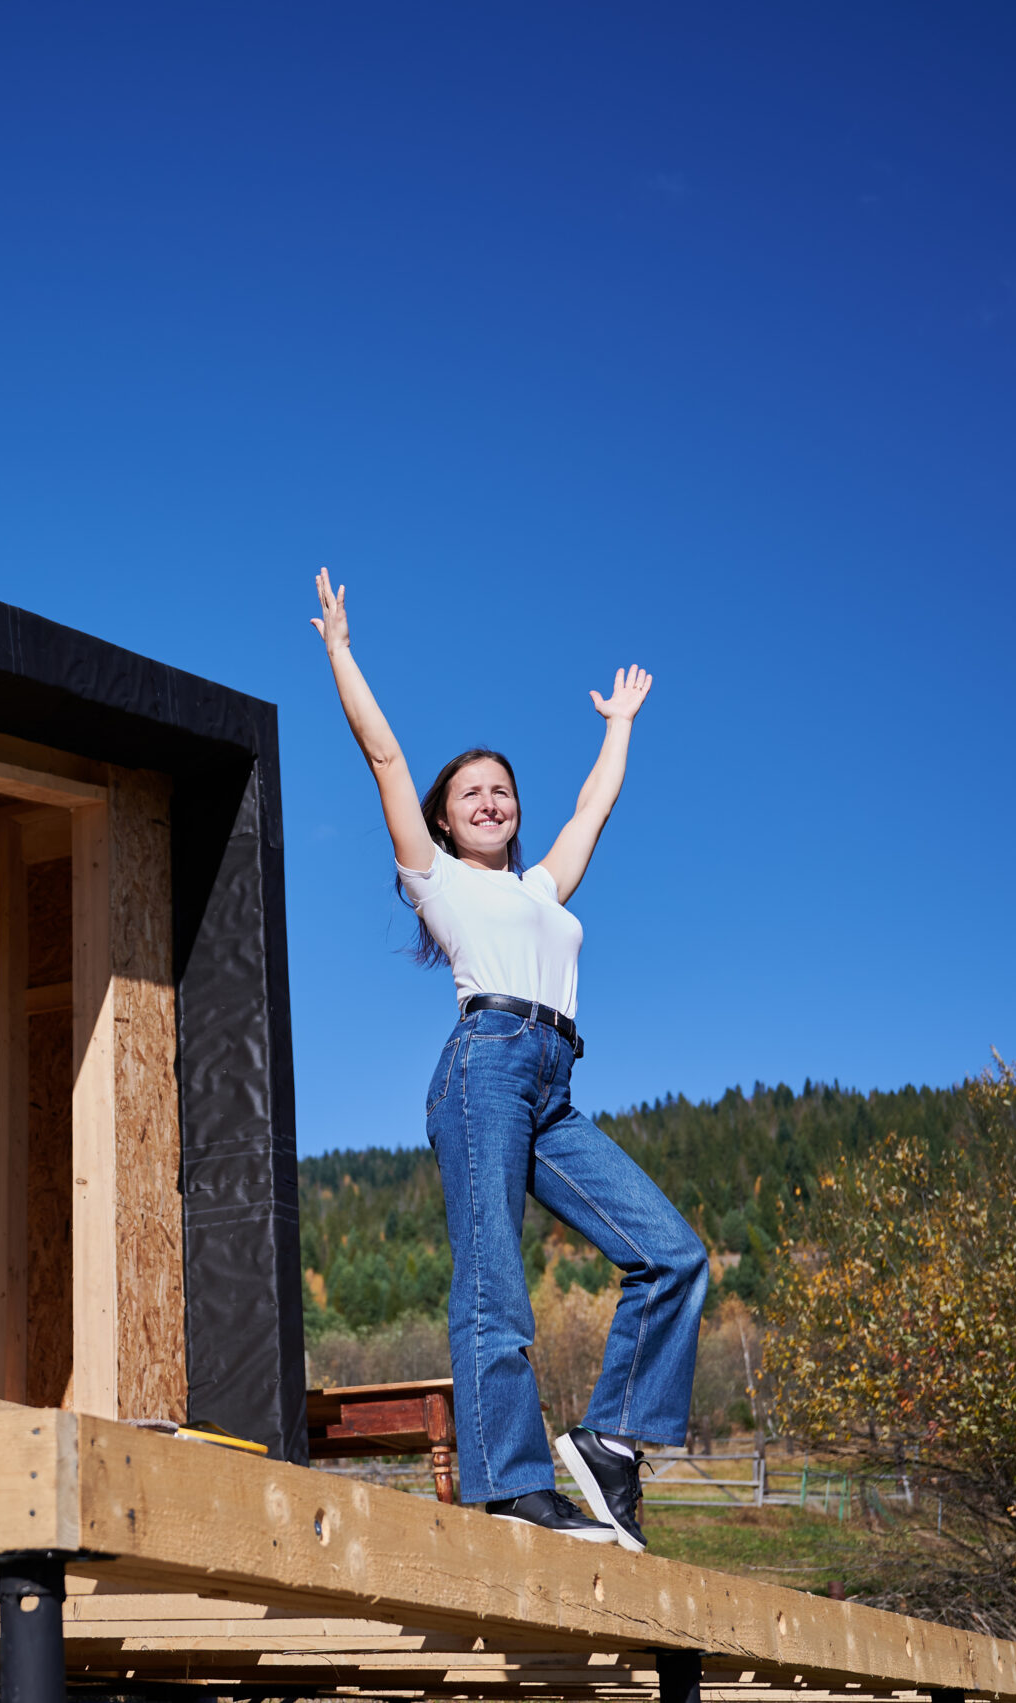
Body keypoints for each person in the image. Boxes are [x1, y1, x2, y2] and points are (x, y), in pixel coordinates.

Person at [309, 567, 707, 1551]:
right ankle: (511, 1483)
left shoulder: (542, 886)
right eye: (469, 792)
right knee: (494, 1276)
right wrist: (340, 652)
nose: (488, 799)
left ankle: (611, 1439)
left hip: (553, 1081)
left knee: (672, 1252)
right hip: (484, 1062)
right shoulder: (435, 879)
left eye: (501, 790)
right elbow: (386, 753)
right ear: (443, 820)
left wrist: (618, 722)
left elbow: (592, 812)